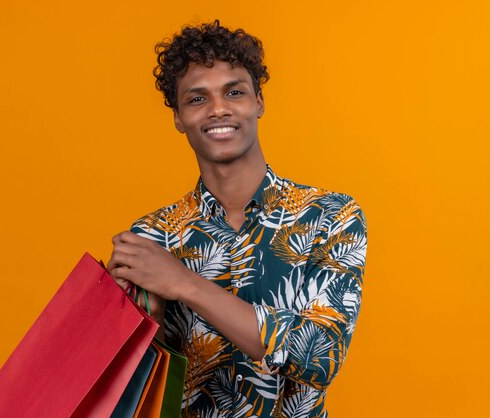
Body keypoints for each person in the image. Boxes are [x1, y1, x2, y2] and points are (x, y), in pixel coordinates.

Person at [107, 20, 368, 418]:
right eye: (197, 99)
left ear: (258, 101)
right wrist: (144, 321)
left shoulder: (330, 216)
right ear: (178, 117)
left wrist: (184, 284)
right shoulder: (151, 237)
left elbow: (320, 356)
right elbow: (135, 388)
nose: (219, 109)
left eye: (234, 91)